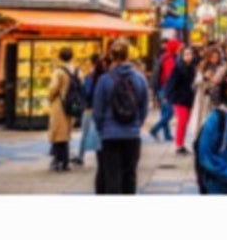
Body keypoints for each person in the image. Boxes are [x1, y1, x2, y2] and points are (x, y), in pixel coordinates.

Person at [91, 39, 151, 194]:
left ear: (112, 55)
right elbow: (144, 107)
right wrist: (137, 124)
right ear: (128, 55)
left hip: (110, 135)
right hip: (132, 135)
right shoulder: (140, 78)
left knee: (112, 177)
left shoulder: (104, 80)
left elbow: (97, 111)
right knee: (129, 176)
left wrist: (102, 128)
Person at [45, 46, 81, 172]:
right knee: (66, 132)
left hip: (59, 104)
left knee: (58, 132)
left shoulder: (58, 71)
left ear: (59, 57)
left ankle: (59, 160)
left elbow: (53, 88)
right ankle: (64, 160)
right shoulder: (77, 70)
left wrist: (49, 98)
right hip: (72, 105)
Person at [164, 43, 200, 156]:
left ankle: (181, 144)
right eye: (186, 54)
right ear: (182, 55)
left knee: (185, 122)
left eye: (190, 54)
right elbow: (170, 83)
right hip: (179, 99)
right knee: (182, 121)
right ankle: (178, 145)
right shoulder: (178, 68)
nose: (189, 56)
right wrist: (168, 96)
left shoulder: (192, 68)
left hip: (189, 99)